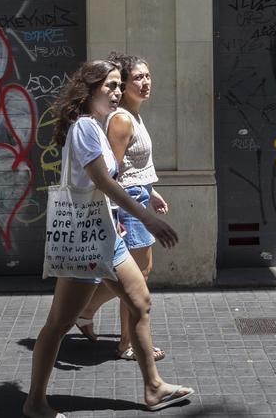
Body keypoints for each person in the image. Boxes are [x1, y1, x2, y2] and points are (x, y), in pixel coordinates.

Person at [23, 59, 195, 418]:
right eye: (110, 87)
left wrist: (116, 218)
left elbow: (100, 189)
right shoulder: (86, 127)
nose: (118, 93)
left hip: (106, 233)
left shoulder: (97, 126)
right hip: (85, 240)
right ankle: (35, 401)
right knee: (58, 324)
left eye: (119, 86)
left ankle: (153, 386)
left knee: (140, 301)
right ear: (89, 91)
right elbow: (102, 182)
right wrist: (146, 216)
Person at [74, 54, 168, 361]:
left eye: (148, 76)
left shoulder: (134, 115)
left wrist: (151, 193)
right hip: (128, 203)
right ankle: (127, 343)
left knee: (138, 273)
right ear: (123, 85)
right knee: (138, 275)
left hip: (139, 196)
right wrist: (115, 214)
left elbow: (133, 165)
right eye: (137, 78)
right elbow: (110, 172)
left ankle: (87, 310)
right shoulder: (122, 119)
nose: (145, 82)